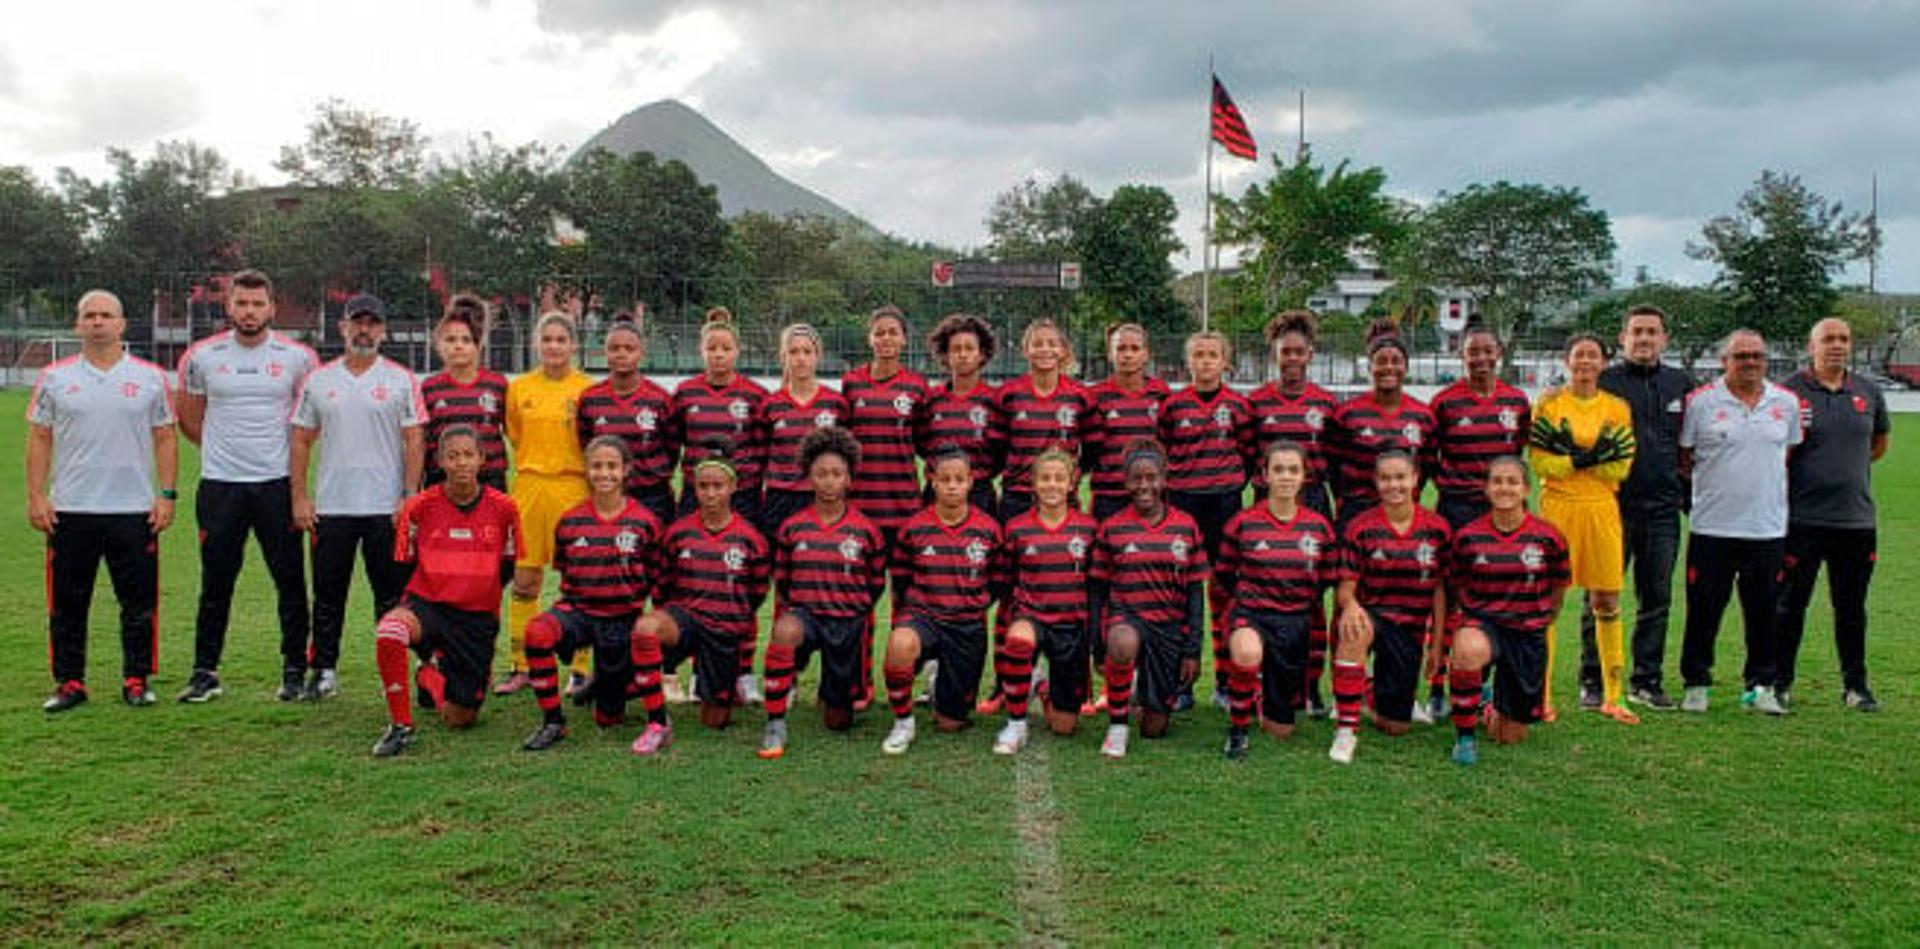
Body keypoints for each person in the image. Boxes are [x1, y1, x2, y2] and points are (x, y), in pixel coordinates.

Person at [28, 290, 177, 712]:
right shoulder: (55, 377)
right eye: (89, 316)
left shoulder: (149, 377)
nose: (97, 322)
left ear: (121, 324)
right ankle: (70, 682)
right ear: (77, 325)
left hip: (133, 509)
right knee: (68, 604)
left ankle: (136, 679)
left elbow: (165, 436)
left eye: (105, 315)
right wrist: (37, 495)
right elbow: (40, 437)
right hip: (71, 509)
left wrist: (166, 495)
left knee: (139, 602)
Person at [173, 269, 317, 703]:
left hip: (277, 485)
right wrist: (226, 451)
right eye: (241, 303)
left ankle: (294, 670)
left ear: (271, 308)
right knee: (215, 582)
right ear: (228, 306)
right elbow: (190, 419)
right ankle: (205, 672)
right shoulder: (201, 356)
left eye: (258, 304)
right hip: (221, 487)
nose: (249, 311)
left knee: (289, 582)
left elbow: (307, 422)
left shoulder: (299, 358)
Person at [291, 293, 424, 702]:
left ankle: (399, 671)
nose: (364, 330)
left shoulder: (401, 379)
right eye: (357, 322)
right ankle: (324, 669)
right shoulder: (319, 380)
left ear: (382, 331)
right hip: (333, 506)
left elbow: (414, 438)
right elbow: (300, 439)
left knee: (391, 596)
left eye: (372, 323)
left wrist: (409, 496)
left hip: (385, 508)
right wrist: (300, 497)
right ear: (343, 327)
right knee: (329, 596)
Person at [369, 425, 521, 757]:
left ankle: (430, 674)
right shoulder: (419, 507)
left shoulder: (504, 509)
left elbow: (507, 566)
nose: (461, 463)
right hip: (429, 607)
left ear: (482, 459)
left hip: (476, 617)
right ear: (440, 461)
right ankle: (400, 726)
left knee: (460, 718)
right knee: (390, 631)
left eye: (468, 455)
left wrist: (477, 591)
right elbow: (404, 563)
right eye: (453, 456)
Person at [1678, 330, 1802, 715]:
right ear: (1724, 361)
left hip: (1766, 529)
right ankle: (1696, 684)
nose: (1749, 362)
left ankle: (1761, 686)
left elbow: (1788, 451)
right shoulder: (1700, 403)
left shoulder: (1786, 402)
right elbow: (1685, 459)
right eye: (1741, 356)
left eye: (1756, 356)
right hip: (1712, 527)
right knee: (1703, 611)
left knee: (1764, 613)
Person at [1579, 303, 1693, 711]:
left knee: (1656, 596)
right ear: (1623, 338)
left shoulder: (1682, 384)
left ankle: (1647, 679)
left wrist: (1686, 494)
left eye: (1652, 332)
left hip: (1662, 510)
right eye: (1636, 331)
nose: (1644, 338)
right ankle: (1592, 679)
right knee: (1600, 595)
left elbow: (1692, 446)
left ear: (1664, 338)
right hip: (1609, 507)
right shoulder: (1603, 383)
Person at [520, 436, 664, 753]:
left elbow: (655, 577)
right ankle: (553, 722)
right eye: (597, 466)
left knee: (608, 718)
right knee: (537, 632)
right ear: (586, 470)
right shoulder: (571, 521)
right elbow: (564, 569)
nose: (604, 474)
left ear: (626, 470)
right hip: (580, 612)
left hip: (622, 620)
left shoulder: (645, 522)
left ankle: (611, 682)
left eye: (612, 466)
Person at [1775, 317, 1891, 711]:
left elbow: (1877, 445)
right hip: (1800, 520)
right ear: (1812, 346)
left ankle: (1856, 686)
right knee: (1790, 605)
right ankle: (1780, 682)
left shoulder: (1868, 391)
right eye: (1828, 339)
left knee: (1851, 608)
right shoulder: (1788, 392)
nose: (1837, 345)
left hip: (1856, 522)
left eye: (1843, 339)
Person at [633, 440, 773, 750]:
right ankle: (657, 721)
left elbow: (757, 591)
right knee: (646, 629)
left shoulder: (751, 539)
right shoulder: (678, 532)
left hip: (723, 632)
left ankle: (726, 683)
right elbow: (662, 582)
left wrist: (733, 619)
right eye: (703, 486)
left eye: (718, 486)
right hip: (685, 622)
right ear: (694, 488)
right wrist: (670, 616)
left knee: (714, 720)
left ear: (733, 487)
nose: (710, 493)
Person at [1529, 334, 1638, 725]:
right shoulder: (1549, 403)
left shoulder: (1616, 408)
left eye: (1593, 355)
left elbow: (1620, 467)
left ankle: (1613, 695)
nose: (1586, 362)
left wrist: (1576, 458)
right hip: (1558, 508)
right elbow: (1541, 461)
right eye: (1579, 355)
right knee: (1549, 602)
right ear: (1567, 359)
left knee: (1606, 599)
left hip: (1601, 508)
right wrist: (1582, 460)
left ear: (1604, 362)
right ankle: (1539, 697)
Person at [759, 427, 887, 759]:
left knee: (838, 721)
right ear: (808, 478)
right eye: (821, 474)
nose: (829, 481)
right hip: (807, 617)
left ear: (849, 479)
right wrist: (803, 608)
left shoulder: (867, 530)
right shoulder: (793, 526)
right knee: (786, 629)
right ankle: (775, 721)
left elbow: (875, 583)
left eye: (836, 474)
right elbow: (784, 582)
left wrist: (852, 608)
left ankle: (833, 691)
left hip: (847, 623)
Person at [1442, 457, 1571, 765]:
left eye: (1512, 482)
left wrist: (1542, 618)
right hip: (1484, 623)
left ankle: (1486, 704)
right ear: (1486, 489)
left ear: (1526, 489)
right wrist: (1472, 618)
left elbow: (1558, 585)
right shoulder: (1468, 537)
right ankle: (1464, 738)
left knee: (1510, 737)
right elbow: (1458, 585)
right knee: (1468, 648)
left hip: (1526, 632)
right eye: (1497, 481)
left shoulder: (1548, 537)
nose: (1505, 488)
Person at [1215, 441, 1338, 760]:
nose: (1285, 477)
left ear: (1304, 477)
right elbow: (1225, 573)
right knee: (1247, 650)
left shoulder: (1319, 527)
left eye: (1293, 470)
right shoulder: (1243, 523)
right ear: (1264, 476)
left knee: (1280, 730)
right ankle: (1238, 729)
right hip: (1252, 615)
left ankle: (1262, 699)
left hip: (1296, 621)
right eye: (1278, 469)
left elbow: (1327, 577)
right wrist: (1247, 603)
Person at [1087, 440, 1211, 758]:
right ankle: (1117, 725)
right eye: (1137, 479)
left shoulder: (1186, 526)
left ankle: (1141, 692)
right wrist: (1098, 647)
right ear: (1126, 482)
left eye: (1151, 477)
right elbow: (1098, 592)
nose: (1145, 485)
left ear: (1164, 479)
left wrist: (1192, 650)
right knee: (1124, 642)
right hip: (1127, 617)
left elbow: (1196, 595)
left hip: (1168, 628)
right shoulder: (1113, 527)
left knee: (1154, 729)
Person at [1327, 451, 1451, 765]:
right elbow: (1345, 587)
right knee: (1353, 628)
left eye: (1400, 477)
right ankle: (1346, 730)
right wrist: (1351, 605)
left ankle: (1370, 691)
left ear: (1414, 479)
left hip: (1409, 626)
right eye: (1385, 478)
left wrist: (1436, 645)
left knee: (1395, 727)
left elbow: (1439, 590)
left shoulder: (1437, 529)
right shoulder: (1361, 526)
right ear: (1376, 482)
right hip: (1373, 616)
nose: (1393, 484)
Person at [1246, 309, 1341, 716]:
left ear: (1310, 354)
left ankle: (1310, 686)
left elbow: (1334, 461)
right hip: (1267, 508)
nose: (1292, 359)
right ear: (1275, 355)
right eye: (1285, 352)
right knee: (1265, 598)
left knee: (1310, 604)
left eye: (1299, 352)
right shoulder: (1256, 402)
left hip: (1314, 504)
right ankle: (1265, 682)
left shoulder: (1326, 403)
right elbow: (1247, 455)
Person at [879, 449, 1005, 755]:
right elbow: (901, 577)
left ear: (970, 483)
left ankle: (939, 682)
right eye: (945, 479)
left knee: (951, 724)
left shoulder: (988, 529)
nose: (952, 486)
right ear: (932, 481)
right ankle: (903, 721)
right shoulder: (914, 527)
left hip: (966, 627)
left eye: (959, 480)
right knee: (899, 643)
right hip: (924, 618)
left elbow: (999, 579)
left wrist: (974, 603)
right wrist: (913, 612)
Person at [496, 311, 595, 698]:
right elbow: (516, 437)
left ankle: (580, 668)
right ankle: (521, 664)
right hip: (530, 487)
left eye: (561, 340)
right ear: (538, 344)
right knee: (525, 578)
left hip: (573, 488)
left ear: (573, 345)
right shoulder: (519, 389)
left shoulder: (586, 390)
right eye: (547, 339)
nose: (554, 346)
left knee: (580, 581)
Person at [1158, 330, 1254, 711]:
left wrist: (1226, 482)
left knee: (1226, 591)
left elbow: (1248, 452)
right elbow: (1162, 450)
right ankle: (1181, 683)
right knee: (1183, 592)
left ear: (1225, 362)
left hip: (1225, 503)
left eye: (1213, 355)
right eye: (1198, 354)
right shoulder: (1173, 405)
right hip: (1183, 503)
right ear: (1188, 362)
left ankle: (1227, 682)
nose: (1206, 361)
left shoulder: (1239, 406)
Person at [844, 305, 932, 709]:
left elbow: (929, 447)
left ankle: (902, 682)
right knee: (859, 600)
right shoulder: (851, 385)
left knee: (906, 603)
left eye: (893, 333)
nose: (886, 340)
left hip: (904, 513)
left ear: (904, 339)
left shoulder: (916, 388)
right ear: (870, 339)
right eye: (879, 333)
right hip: (860, 514)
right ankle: (859, 685)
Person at [996, 448, 1101, 752]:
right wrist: (1020, 610)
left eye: (1059, 478)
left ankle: (1041, 686)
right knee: (1018, 639)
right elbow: (1006, 580)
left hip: (1071, 626)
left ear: (1072, 484)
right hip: (1033, 617)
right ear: (1034, 484)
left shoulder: (1088, 529)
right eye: (1045, 478)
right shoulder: (1017, 528)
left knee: (1063, 727)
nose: (1051, 485)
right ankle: (1015, 724)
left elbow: (1096, 585)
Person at [1328, 323, 1438, 527]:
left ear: (1406, 367)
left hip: (1402, 513)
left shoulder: (1424, 415)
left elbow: (1427, 465)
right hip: (1356, 511)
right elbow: (1333, 466)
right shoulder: (1347, 413)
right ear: (1370, 367)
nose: (1389, 367)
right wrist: (1347, 499)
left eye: (1396, 361)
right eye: (1381, 361)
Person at [574, 313, 677, 526]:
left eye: (629, 349)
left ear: (641, 353)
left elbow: (672, 447)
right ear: (605, 352)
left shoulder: (660, 399)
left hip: (653, 497)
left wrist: (652, 474)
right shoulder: (590, 399)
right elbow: (587, 445)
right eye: (614, 348)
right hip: (609, 495)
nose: (621, 354)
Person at [671, 308, 768, 525]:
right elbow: (672, 444)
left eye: (726, 348)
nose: (718, 354)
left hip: (742, 494)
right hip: (697, 492)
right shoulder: (685, 393)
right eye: (711, 348)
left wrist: (747, 479)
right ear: (701, 350)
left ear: (737, 351)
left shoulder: (756, 395)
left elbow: (762, 449)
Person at [995, 317, 1096, 526]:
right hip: (1017, 497)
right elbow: (997, 445)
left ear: (1063, 351)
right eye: (1037, 344)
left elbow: (1093, 445)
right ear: (1026, 350)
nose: (1045, 349)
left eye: (1052, 344)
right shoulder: (1008, 394)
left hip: (1062, 497)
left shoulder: (1080, 395)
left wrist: (1072, 475)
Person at [1431, 326, 1531, 530]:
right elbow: (1429, 456)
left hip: (1505, 502)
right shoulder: (1444, 402)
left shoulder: (1517, 400)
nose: (1481, 358)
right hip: (1458, 507)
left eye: (1488, 351)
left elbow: (1517, 450)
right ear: (1461, 355)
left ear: (1499, 352)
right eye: (1473, 352)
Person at [918, 313, 1005, 518]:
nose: (963, 354)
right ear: (945, 355)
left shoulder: (995, 401)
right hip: (937, 494)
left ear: (982, 354)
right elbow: (922, 444)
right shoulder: (931, 399)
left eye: (969, 348)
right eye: (956, 349)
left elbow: (1002, 452)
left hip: (979, 495)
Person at [420, 293, 509, 493]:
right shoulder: (428, 388)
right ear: (439, 345)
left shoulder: (497, 385)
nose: (458, 346)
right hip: (441, 481)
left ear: (478, 346)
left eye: (466, 340)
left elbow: (513, 432)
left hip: (489, 481)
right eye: (450, 340)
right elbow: (421, 441)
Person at [1086, 323, 1171, 523]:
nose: (1127, 355)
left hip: (1150, 494)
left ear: (1146, 354)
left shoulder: (1161, 393)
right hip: (1109, 496)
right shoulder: (1095, 396)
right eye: (1121, 348)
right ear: (1110, 354)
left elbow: (1168, 443)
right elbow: (1088, 448)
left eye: (1135, 349)